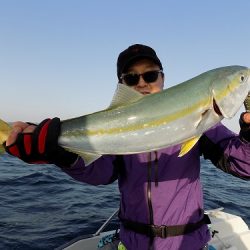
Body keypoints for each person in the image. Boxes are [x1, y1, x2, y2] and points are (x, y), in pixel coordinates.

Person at [4, 44, 250, 250]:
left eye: (150, 75)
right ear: (121, 86)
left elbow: (245, 166)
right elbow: (101, 172)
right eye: (131, 78)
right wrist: (62, 156)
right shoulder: (116, 129)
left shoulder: (205, 124)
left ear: (163, 78)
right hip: (132, 243)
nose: (142, 83)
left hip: (187, 243)